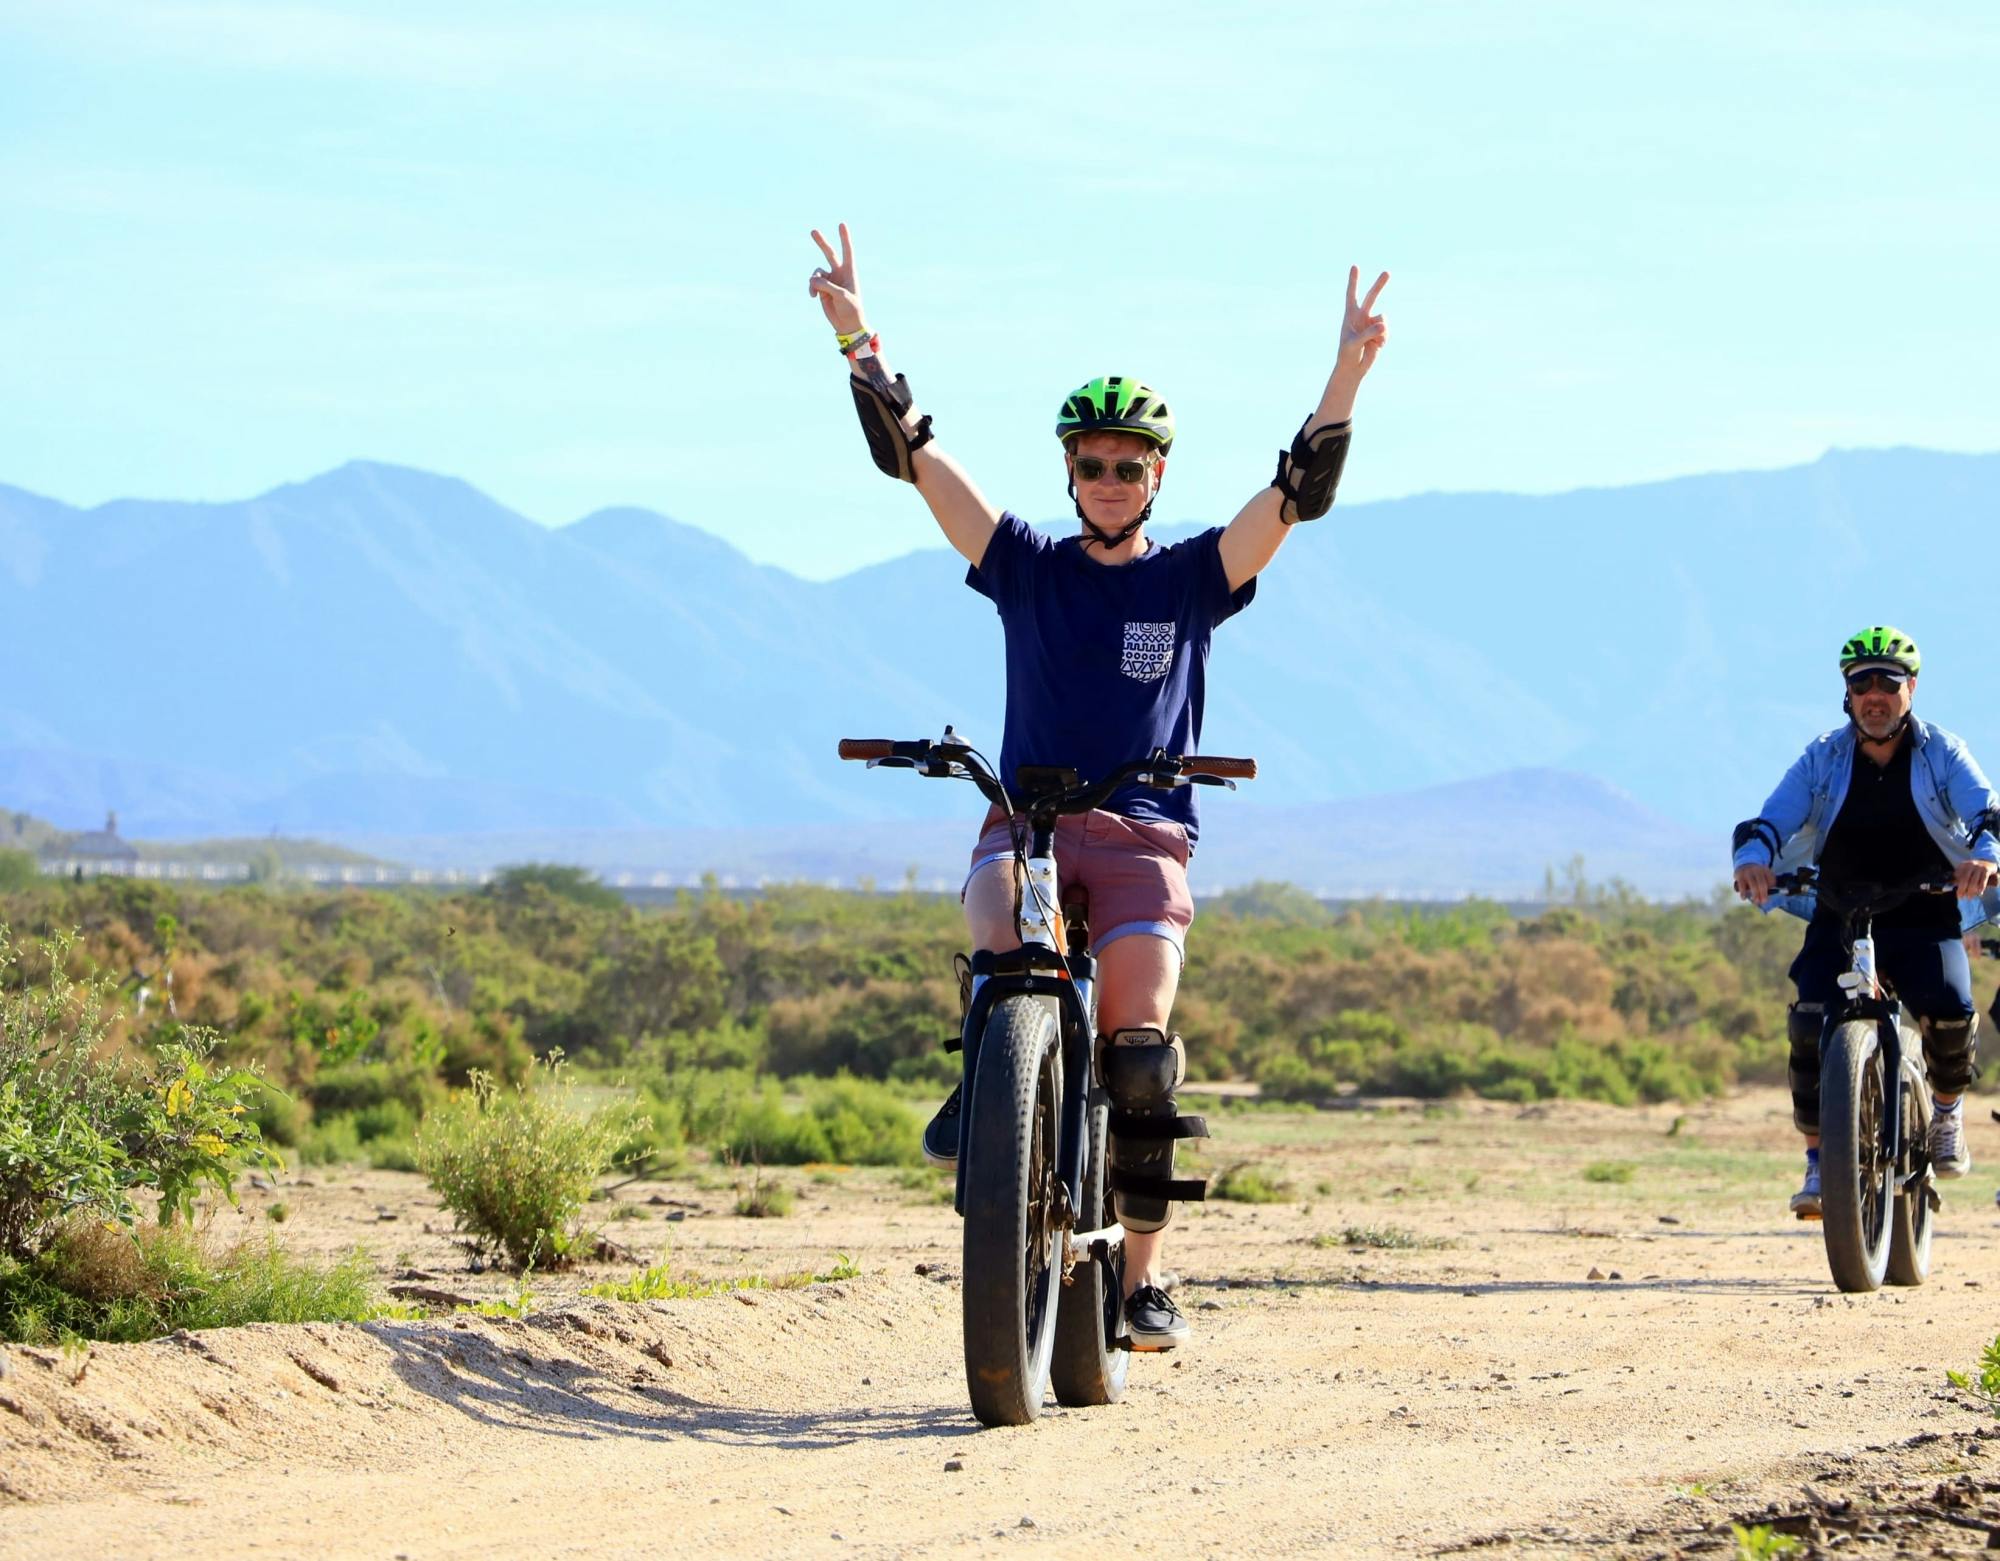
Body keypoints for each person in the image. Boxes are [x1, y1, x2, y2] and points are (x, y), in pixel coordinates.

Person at [809, 222, 1389, 1347]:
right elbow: (918, 459)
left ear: (1155, 475)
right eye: (1091, 464)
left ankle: (1141, 1281)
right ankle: (993, 1081)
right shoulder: (1022, 564)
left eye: (1130, 465)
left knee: (1136, 1046)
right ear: (1068, 473)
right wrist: (857, 342)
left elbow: (1292, 499)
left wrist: (1345, 377)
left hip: (1140, 839)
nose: (1110, 480)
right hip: (1028, 829)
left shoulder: (1190, 579)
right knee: (989, 924)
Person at [1731, 626, 2000, 1217]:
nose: (1874, 695)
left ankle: (1948, 1114)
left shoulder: (1943, 753)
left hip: (1924, 910)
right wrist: (1753, 863)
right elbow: (1770, 821)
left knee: (1952, 1010)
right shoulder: (1822, 756)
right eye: (1861, 684)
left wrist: (1983, 856)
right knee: (1808, 1021)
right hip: (1840, 909)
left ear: (1912, 689)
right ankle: (1817, 1162)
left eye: (1888, 682)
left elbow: (1989, 814)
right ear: (1847, 693)